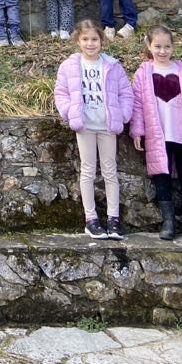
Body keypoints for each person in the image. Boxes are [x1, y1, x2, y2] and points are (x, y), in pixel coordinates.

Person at [130, 25, 182, 243]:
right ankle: (169, 222)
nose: (162, 51)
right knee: (162, 175)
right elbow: (138, 105)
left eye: (167, 46)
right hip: (159, 135)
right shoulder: (143, 74)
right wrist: (138, 131)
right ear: (149, 46)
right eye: (157, 46)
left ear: (173, 47)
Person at [54, 19, 133, 240]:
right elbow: (60, 93)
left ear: (101, 40)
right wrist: (70, 112)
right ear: (78, 41)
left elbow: (126, 93)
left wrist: (123, 115)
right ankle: (91, 220)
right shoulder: (69, 66)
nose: (90, 43)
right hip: (85, 126)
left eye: (94, 39)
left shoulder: (112, 65)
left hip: (107, 125)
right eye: (85, 39)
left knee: (110, 171)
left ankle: (113, 219)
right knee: (88, 170)